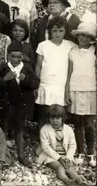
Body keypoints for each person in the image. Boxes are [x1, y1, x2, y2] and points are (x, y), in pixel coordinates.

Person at [0, 41, 40, 168]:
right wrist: (4, 79)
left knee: (19, 129)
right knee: (4, 129)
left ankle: (21, 155)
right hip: (6, 104)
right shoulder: (3, 68)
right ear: (8, 56)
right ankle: (3, 155)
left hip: (21, 104)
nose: (16, 59)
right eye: (13, 56)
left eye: (19, 57)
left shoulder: (26, 68)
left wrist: (26, 80)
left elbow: (35, 83)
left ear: (23, 56)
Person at [35, 17, 77, 128]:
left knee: (58, 115)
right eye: (55, 30)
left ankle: (58, 140)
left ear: (65, 31)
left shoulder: (71, 46)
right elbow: (38, 66)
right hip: (46, 84)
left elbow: (71, 69)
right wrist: (36, 85)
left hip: (61, 85)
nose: (58, 34)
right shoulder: (43, 45)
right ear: (50, 31)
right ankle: (43, 140)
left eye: (61, 30)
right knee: (44, 115)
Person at [37, 105, 91, 185]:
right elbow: (46, 148)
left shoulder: (68, 129)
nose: (55, 121)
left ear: (63, 118)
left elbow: (72, 145)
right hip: (51, 156)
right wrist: (59, 158)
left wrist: (68, 158)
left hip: (65, 155)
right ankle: (67, 180)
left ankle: (80, 181)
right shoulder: (44, 129)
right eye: (52, 118)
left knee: (70, 168)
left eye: (58, 118)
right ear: (48, 118)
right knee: (60, 167)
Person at [67, 22, 96, 167]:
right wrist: (67, 91)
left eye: (86, 36)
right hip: (75, 89)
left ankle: (91, 152)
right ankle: (80, 151)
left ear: (91, 38)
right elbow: (69, 73)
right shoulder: (72, 51)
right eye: (80, 35)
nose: (82, 38)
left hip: (91, 89)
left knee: (89, 124)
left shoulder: (94, 51)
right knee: (77, 123)